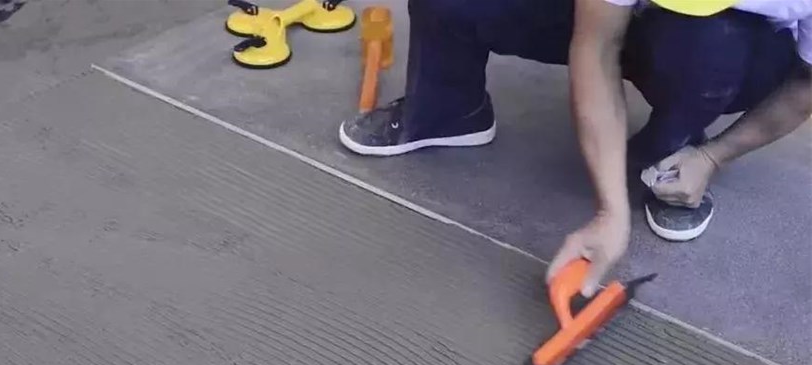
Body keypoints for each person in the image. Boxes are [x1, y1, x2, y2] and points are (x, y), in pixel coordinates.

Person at [338, 0, 812, 296]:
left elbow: (804, 88)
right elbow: (596, 44)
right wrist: (611, 212)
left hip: (727, 45)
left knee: (708, 46)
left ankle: (673, 152)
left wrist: (714, 157)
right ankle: (449, 109)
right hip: (615, 15)